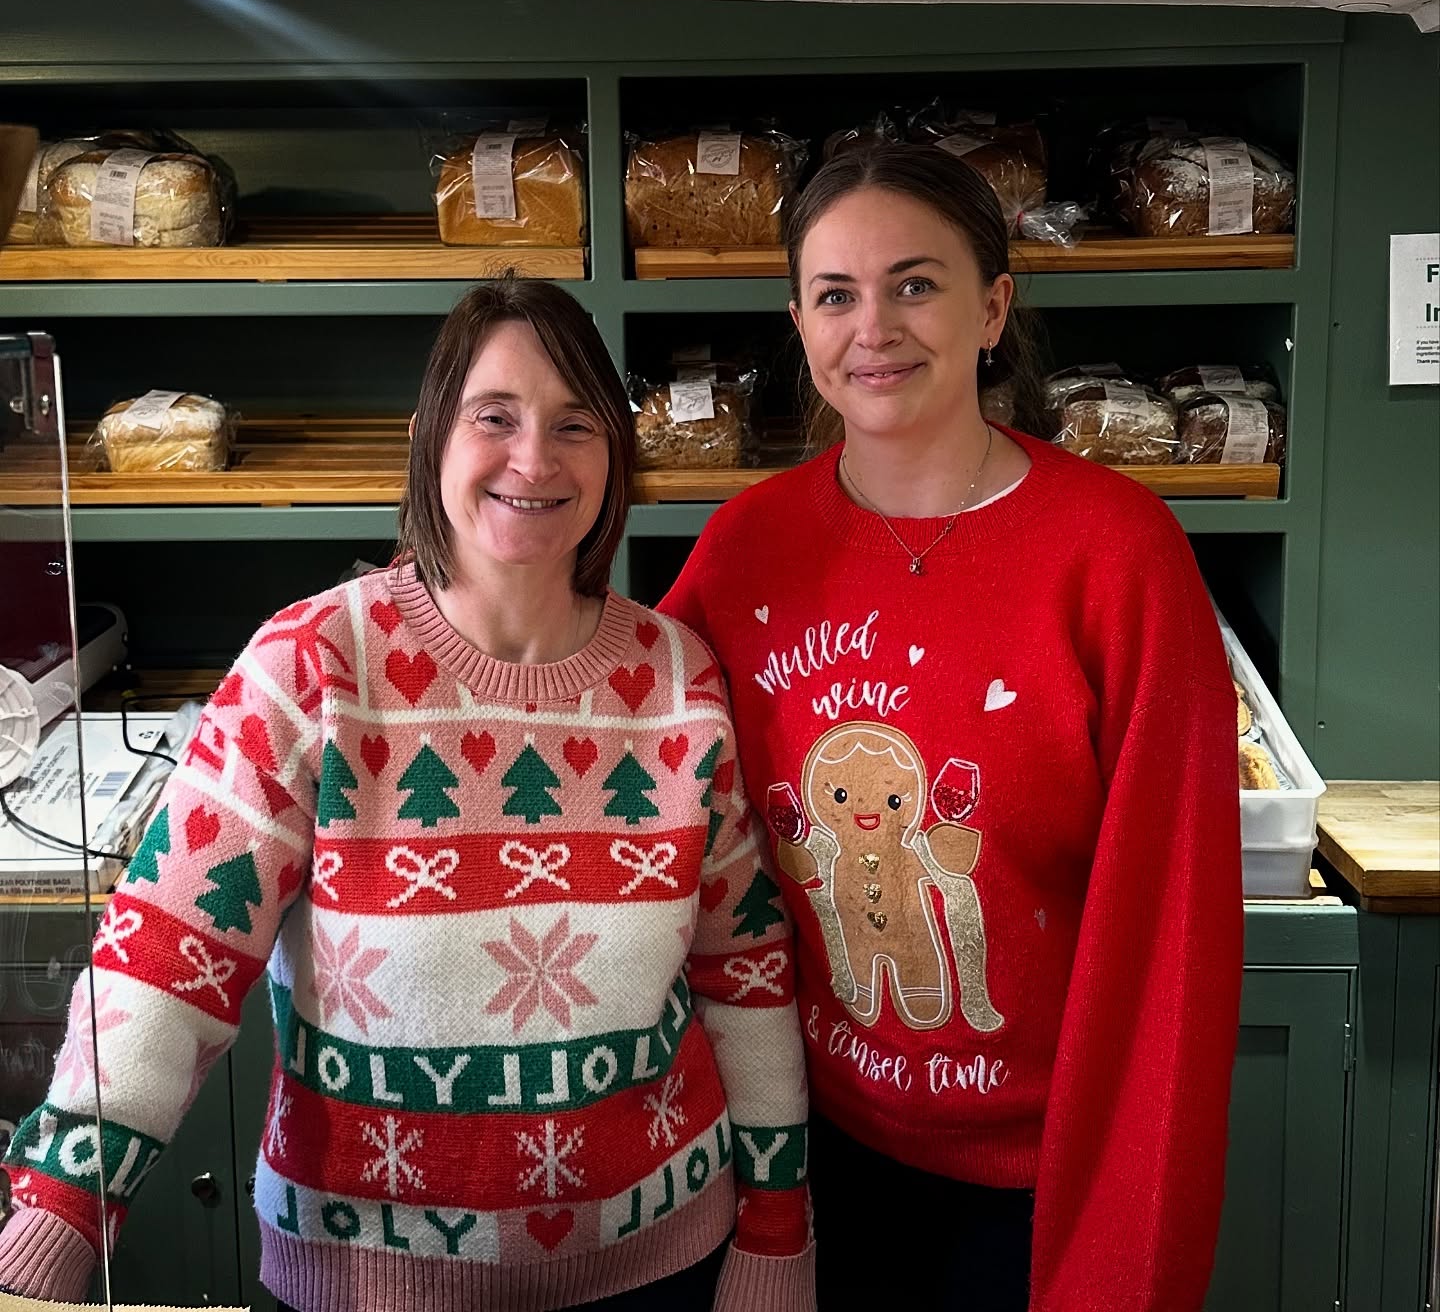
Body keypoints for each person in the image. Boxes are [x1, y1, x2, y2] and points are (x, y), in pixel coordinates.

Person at [0, 276, 815, 1312]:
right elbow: (169, 958)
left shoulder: (677, 676)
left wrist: (777, 1234)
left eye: (576, 424)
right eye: (497, 418)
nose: (535, 458)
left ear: (616, 456)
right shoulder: (313, 665)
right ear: (432, 438)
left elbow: (743, 971)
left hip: (660, 1264)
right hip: (364, 1280)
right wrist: (59, 1221)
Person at [659, 144, 1242, 1312]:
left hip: (1044, 1185)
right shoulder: (748, 546)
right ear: (800, 322)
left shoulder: (1119, 555)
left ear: (994, 308)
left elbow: (1174, 928)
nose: (873, 327)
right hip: (800, 1156)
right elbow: (623, 738)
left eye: (915, 284)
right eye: (835, 294)